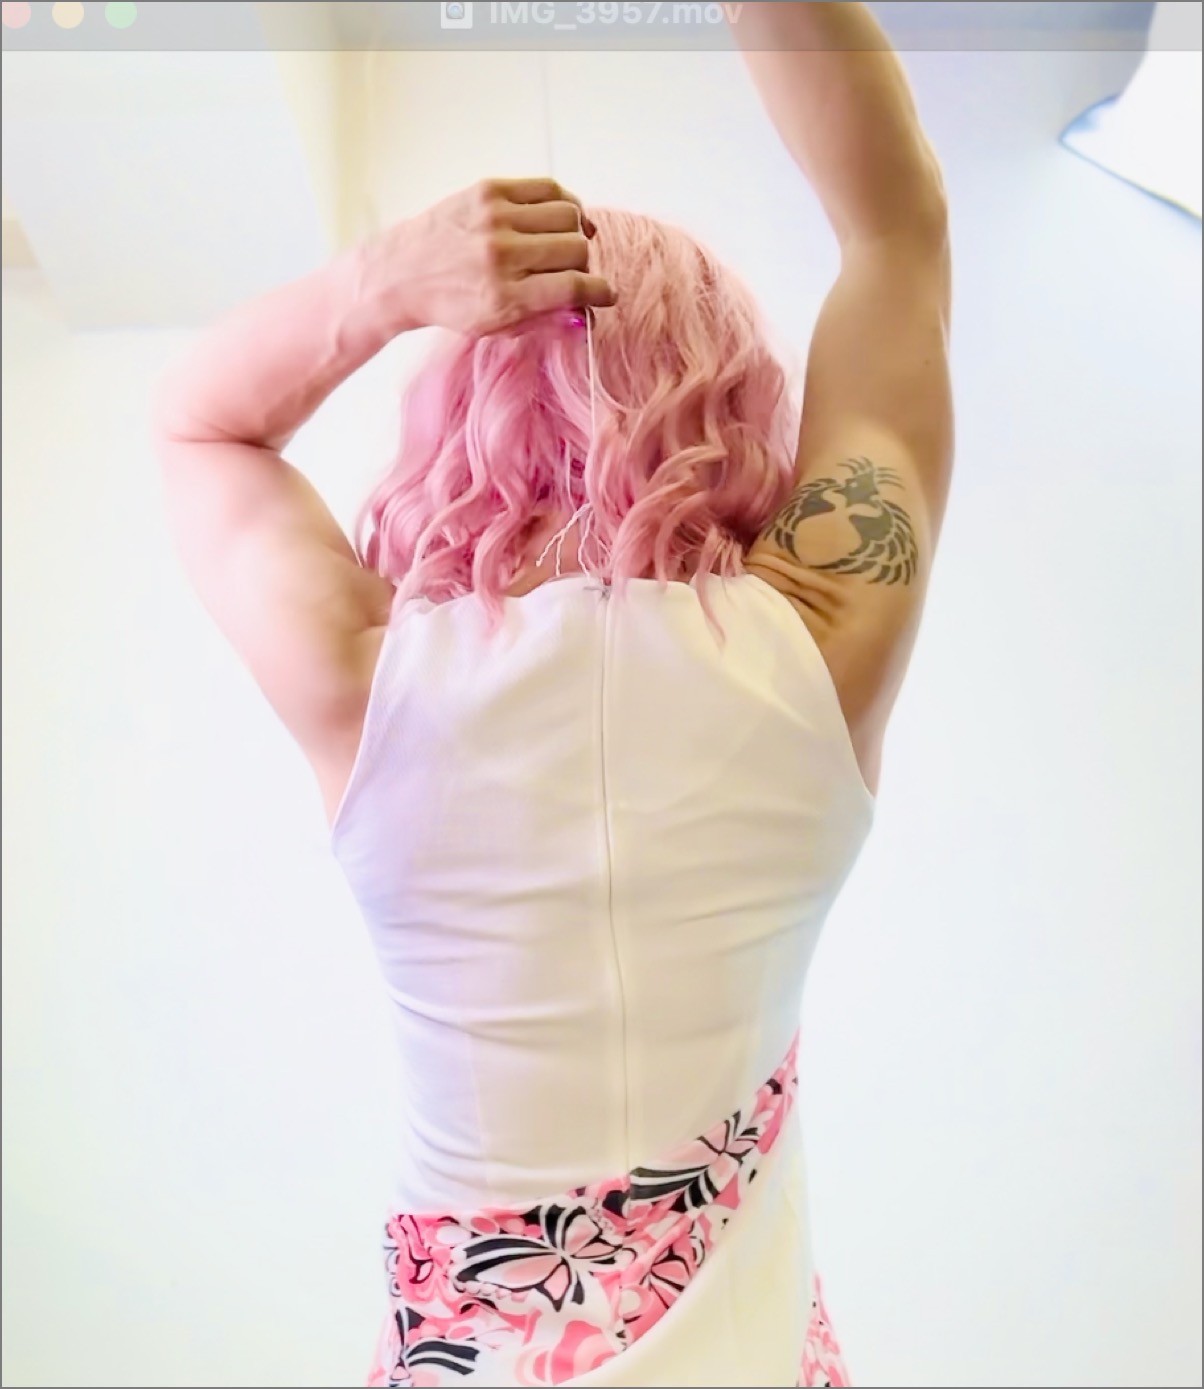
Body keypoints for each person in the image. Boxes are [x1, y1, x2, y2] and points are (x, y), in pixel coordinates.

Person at [154, 2, 951, 1384]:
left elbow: (197, 429)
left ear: (464, 417)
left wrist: (381, 285)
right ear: (728, 403)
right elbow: (898, 234)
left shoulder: (371, 682)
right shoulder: (822, 638)